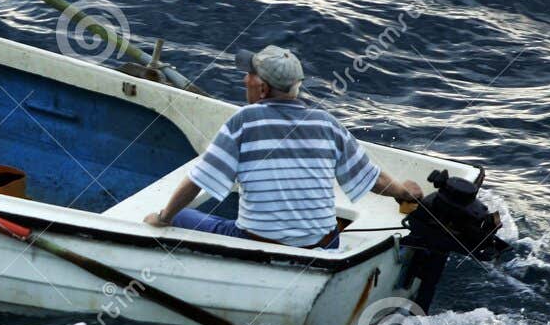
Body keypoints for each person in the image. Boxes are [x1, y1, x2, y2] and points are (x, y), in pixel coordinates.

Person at [144, 45, 422, 249]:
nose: (244, 79)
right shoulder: (326, 124)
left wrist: (162, 217)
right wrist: (403, 192)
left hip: (257, 242)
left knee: (181, 215)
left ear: (262, 89)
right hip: (324, 246)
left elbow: (197, 182)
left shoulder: (243, 122)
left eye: (250, 75)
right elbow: (373, 179)